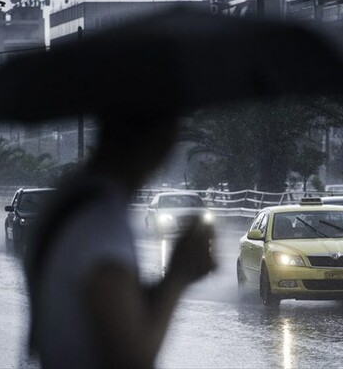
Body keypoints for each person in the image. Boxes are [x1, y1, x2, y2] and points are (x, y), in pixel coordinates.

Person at [24, 119, 215, 368]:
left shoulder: (68, 201)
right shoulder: (102, 220)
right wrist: (178, 275)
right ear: (157, 141)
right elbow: (130, 357)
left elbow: (111, 310)